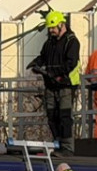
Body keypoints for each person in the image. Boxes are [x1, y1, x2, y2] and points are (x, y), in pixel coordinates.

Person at [27, 10, 80, 148]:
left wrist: (53, 72)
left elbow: (71, 64)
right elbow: (43, 57)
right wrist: (36, 63)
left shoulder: (71, 41)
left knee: (64, 116)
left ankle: (67, 146)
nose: (51, 30)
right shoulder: (49, 43)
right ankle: (57, 143)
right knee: (52, 116)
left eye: (53, 27)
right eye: (49, 28)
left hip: (66, 84)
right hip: (51, 84)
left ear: (61, 25)